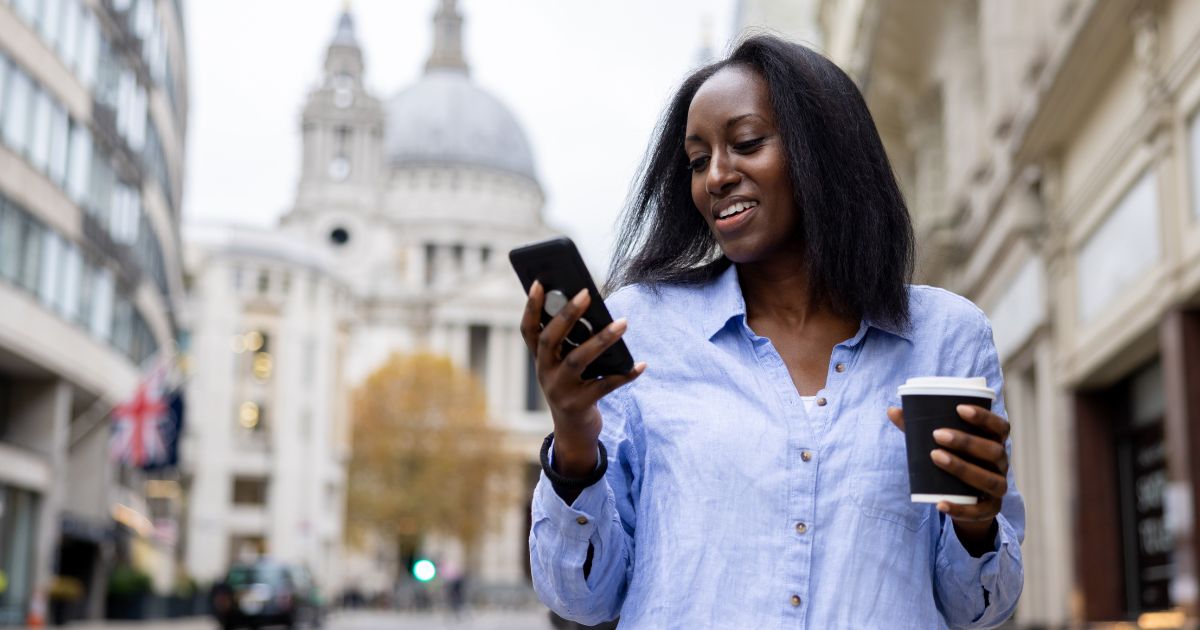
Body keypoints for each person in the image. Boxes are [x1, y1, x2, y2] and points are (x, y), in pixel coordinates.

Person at [522, 35, 1024, 629]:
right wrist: (576, 442)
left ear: (823, 151)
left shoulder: (946, 337)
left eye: (746, 144)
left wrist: (976, 522)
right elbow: (581, 599)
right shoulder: (644, 327)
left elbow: (979, 611)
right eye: (697, 159)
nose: (715, 176)